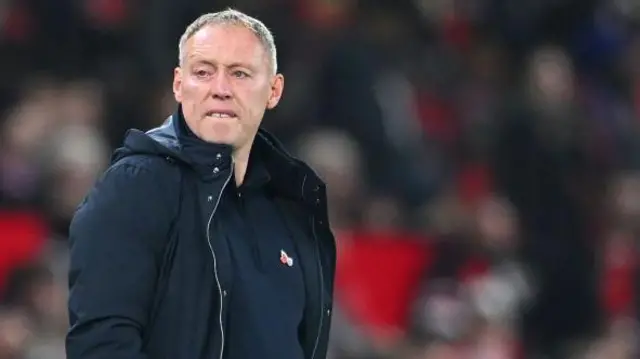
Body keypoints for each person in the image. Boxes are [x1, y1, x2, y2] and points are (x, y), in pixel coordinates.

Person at [65, 9, 336, 359]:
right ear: (179, 85)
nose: (220, 89)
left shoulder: (293, 204)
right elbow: (101, 346)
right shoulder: (136, 187)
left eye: (239, 73)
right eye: (203, 72)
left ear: (274, 90)